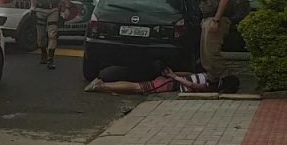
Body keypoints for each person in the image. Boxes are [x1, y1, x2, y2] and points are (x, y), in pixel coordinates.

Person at [196, 0, 234, 85]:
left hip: (217, 18)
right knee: (205, 55)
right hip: (208, 17)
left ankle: (229, 79)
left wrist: (216, 20)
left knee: (212, 53)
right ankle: (213, 81)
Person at [29, 0, 69, 69]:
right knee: (40, 36)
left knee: (52, 34)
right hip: (40, 9)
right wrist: (32, 5)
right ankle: (43, 53)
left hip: (53, 9)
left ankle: (51, 59)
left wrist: (66, 8)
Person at [84, 67, 232, 95]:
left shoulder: (208, 86)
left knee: (139, 88)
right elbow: (190, 75)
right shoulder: (208, 76)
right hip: (170, 80)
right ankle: (102, 86)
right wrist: (174, 74)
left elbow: (192, 85)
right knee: (138, 87)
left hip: (170, 84)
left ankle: (102, 86)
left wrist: (174, 77)